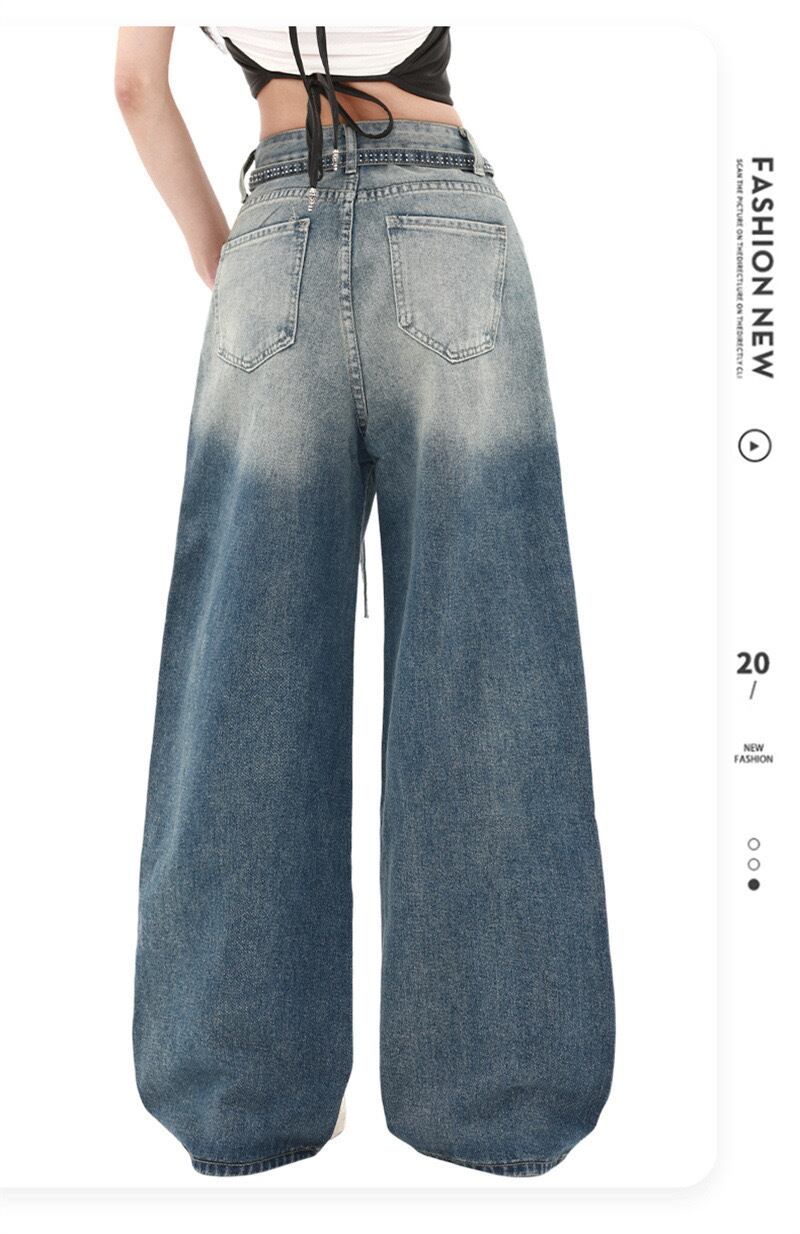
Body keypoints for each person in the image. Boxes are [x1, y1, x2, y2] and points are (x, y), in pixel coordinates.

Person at [118, 25, 616, 1180]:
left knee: (240, 682)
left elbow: (136, 88)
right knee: (494, 670)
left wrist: (224, 249)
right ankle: (498, 1103)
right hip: (448, 230)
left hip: (271, 239)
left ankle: (237, 1100)